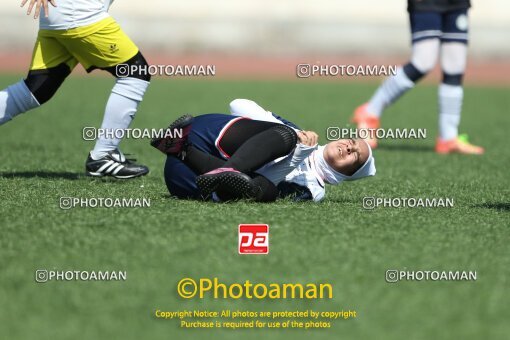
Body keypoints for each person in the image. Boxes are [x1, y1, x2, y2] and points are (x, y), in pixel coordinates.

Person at [0, 0, 150, 178]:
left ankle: (105, 154)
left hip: (58, 14)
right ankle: (103, 155)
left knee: (36, 90)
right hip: (80, 13)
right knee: (135, 72)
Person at [151, 99, 376, 202]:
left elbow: (263, 185)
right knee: (284, 136)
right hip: (204, 135)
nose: (349, 147)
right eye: (352, 142)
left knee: (264, 191)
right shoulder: (295, 132)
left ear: (348, 174)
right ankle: (217, 165)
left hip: (189, 179)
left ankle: (182, 150)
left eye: (355, 155)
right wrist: (294, 136)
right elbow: (237, 104)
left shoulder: (315, 190)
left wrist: (298, 155)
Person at [353, 0, 483, 155]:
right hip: (427, 3)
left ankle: (448, 138)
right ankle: (370, 112)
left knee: (455, 67)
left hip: (457, 3)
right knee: (423, 62)